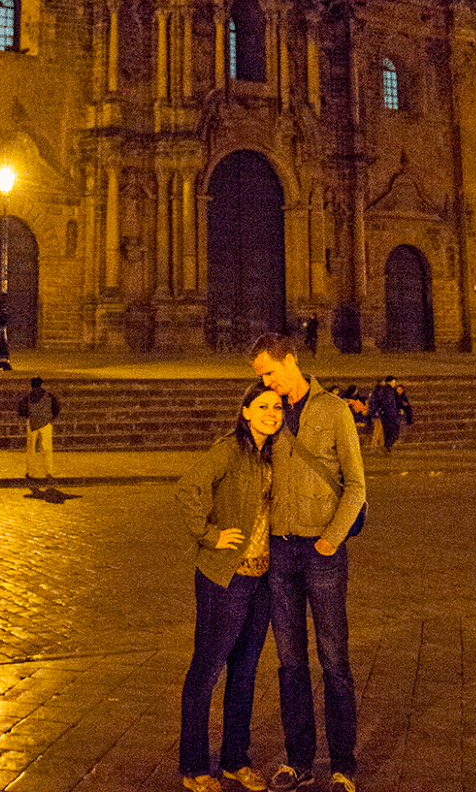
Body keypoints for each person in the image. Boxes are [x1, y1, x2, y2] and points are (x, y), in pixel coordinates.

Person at [251, 332, 365, 792]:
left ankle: (343, 766)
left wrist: (330, 541)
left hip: (321, 554)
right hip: (280, 553)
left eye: (270, 372)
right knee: (290, 661)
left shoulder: (335, 411)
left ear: (291, 361)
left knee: (334, 660)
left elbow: (356, 486)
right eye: (260, 378)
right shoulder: (269, 414)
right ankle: (298, 761)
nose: (266, 382)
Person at [175, 381, 284, 792]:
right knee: (206, 670)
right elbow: (189, 486)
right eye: (262, 406)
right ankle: (194, 766)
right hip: (225, 577)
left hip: (262, 579)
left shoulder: (276, 453)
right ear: (245, 412)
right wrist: (208, 533)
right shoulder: (230, 449)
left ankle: (235, 759)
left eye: (276, 407)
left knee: (245, 671)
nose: (271, 413)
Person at [18, 376, 60, 482]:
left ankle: (31, 472)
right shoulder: (49, 395)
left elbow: (21, 410)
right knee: (47, 449)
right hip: (46, 423)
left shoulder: (28, 396)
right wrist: (49, 417)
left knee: (31, 449)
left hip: (33, 424)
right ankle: (48, 471)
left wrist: (28, 415)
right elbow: (56, 407)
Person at [366, 379, 400, 452]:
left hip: (378, 413)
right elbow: (380, 403)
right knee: (379, 431)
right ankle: (376, 447)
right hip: (380, 414)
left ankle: (378, 446)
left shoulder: (377, 391)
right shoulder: (381, 391)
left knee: (379, 431)